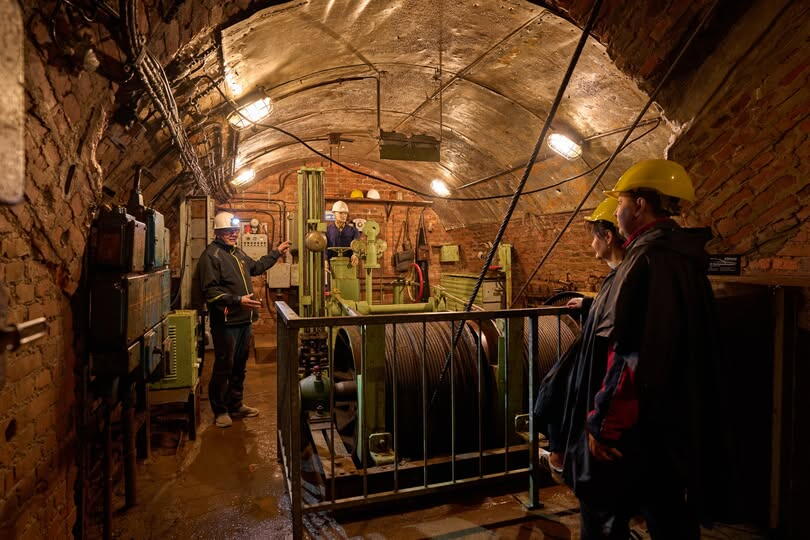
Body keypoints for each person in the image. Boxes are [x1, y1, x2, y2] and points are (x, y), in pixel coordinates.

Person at [578, 159, 719, 539]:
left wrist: (604, 423)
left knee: (603, 509)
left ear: (639, 205)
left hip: (638, 423)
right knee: (671, 514)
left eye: (621, 202)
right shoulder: (684, 257)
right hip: (677, 416)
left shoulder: (643, 261)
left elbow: (631, 353)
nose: (617, 211)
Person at [533, 198, 625, 484]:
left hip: (602, 368)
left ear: (607, 237)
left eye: (594, 238)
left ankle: (559, 458)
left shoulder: (624, 276)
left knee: (557, 388)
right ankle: (560, 455)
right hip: (597, 362)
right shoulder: (621, 276)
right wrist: (588, 304)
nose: (591, 244)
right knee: (557, 386)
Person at [199, 211, 291, 428]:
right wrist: (237, 300)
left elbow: (256, 267)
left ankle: (235, 404)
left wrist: (276, 253)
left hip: (243, 320)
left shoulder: (237, 253)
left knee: (240, 365)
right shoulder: (211, 256)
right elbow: (210, 292)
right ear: (218, 233)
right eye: (228, 231)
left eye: (235, 230)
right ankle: (220, 410)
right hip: (226, 322)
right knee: (224, 366)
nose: (233, 234)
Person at [326, 200, 360, 266]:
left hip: (349, 265)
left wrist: (355, 255)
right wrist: (325, 261)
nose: (344, 215)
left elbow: (357, 246)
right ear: (334, 213)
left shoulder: (353, 231)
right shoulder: (327, 230)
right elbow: (324, 248)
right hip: (332, 265)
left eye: (345, 213)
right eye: (341, 213)